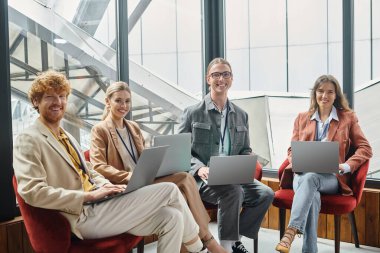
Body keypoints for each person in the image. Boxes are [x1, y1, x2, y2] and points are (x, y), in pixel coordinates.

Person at [13, 70, 208, 253]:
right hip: (82, 215)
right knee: (170, 189)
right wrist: (89, 196)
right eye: (50, 97)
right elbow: (32, 192)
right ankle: (199, 247)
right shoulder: (29, 138)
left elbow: (89, 170)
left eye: (62, 96)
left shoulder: (66, 137)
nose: (58, 102)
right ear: (36, 101)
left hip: (102, 205)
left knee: (171, 217)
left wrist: (106, 186)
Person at [90, 81, 228, 253]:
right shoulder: (100, 129)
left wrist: (161, 164)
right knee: (182, 184)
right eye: (118, 100)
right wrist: (130, 176)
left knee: (183, 179)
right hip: (128, 185)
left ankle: (188, 247)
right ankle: (206, 240)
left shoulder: (133, 127)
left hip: (146, 179)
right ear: (107, 101)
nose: (123, 106)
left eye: (127, 101)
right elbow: (98, 166)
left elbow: (143, 157)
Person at [178, 57, 274, 253]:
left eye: (225, 74)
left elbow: (245, 149)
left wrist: (246, 161)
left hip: (232, 176)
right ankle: (226, 247)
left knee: (266, 194)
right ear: (208, 79)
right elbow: (180, 151)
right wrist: (200, 168)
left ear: (231, 79)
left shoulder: (241, 115)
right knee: (233, 192)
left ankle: (234, 239)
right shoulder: (191, 113)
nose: (221, 79)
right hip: (203, 179)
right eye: (216, 75)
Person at [275, 74, 373, 253]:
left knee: (312, 179)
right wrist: (295, 159)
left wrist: (345, 166)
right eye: (320, 91)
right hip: (302, 176)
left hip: (331, 178)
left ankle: (290, 232)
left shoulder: (348, 118)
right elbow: (292, 150)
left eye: (330, 92)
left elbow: (365, 148)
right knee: (312, 190)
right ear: (315, 94)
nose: (324, 96)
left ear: (336, 95)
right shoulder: (302, 118)